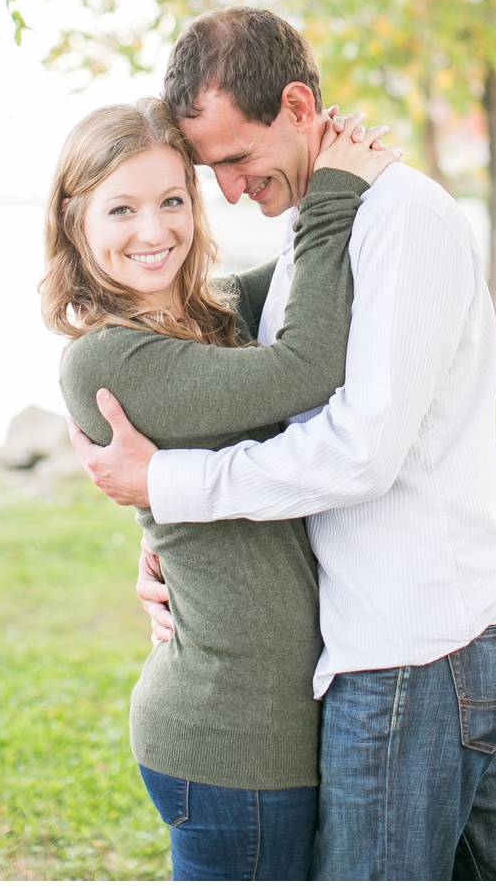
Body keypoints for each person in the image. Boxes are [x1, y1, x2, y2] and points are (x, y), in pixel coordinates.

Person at [71, 7, 496, 881]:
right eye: (205, 172)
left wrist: (167, 486)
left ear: (297, 105)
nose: (225, 192)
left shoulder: (396, 221)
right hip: (406, 635)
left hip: (418, 643)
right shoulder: (320, 227)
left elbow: (359, 448)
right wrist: (164, 541)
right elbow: (226, 372)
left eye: (235, 161)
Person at [53, 98, 399, 881]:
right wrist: (332, 191)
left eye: (173, 198)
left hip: (270, 723)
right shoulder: (107, 360)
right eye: (122, 208)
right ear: (74, 221)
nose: (155, 229)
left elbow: (315, 274)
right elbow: (305, 365)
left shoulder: (211, 315)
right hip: (227, 736)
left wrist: (333, 172)